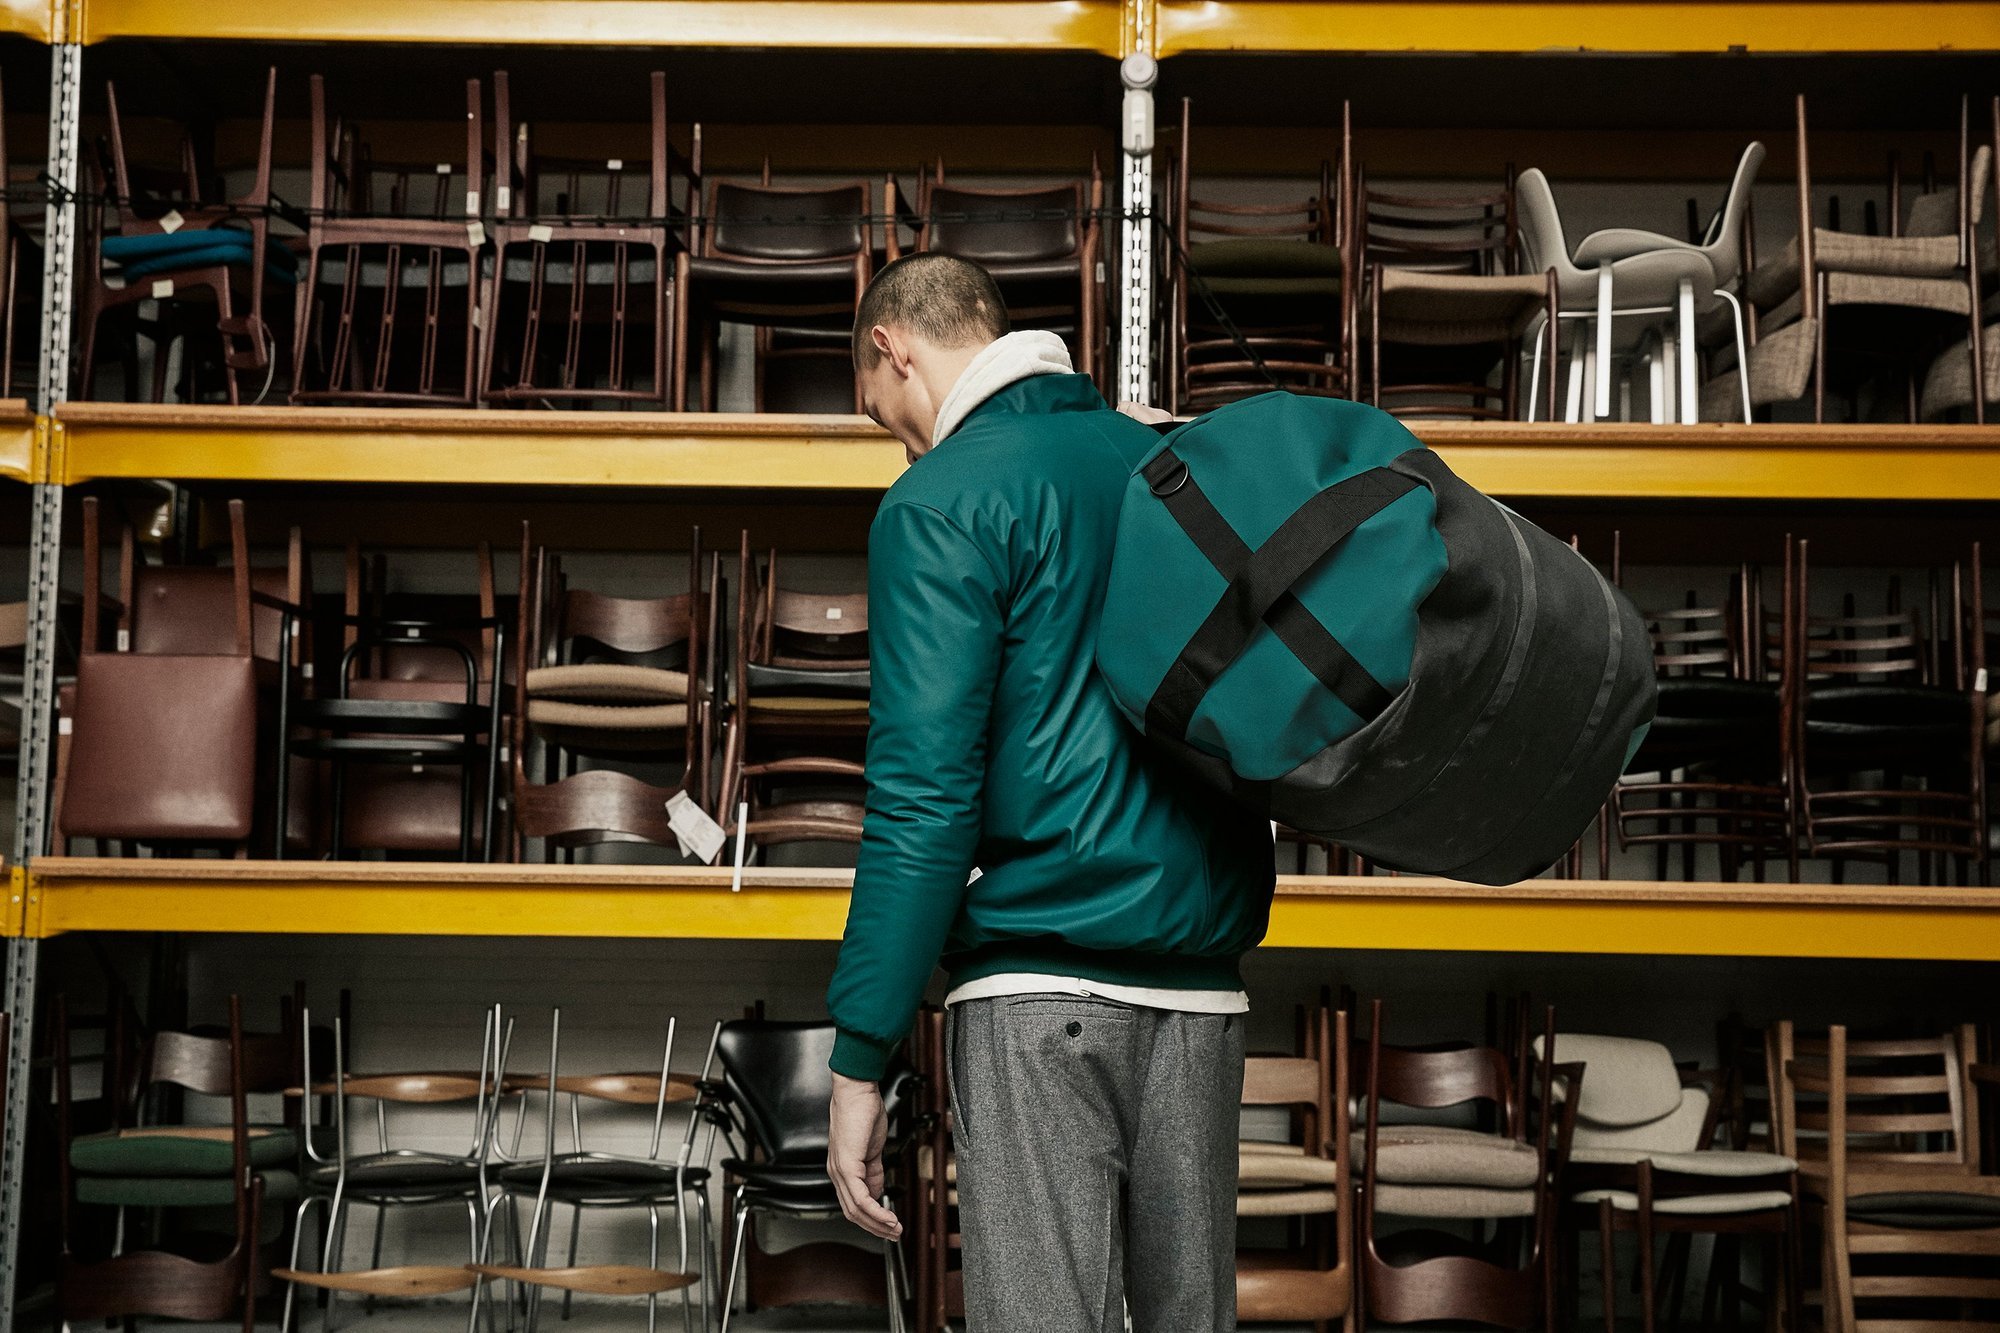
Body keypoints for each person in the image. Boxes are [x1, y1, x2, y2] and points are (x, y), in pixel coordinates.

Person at [822, 252, 1275, 1332]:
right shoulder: (1164, 461)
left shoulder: (940, 501)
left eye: (883, 415)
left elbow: (924, 802)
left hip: (1038, 988)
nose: (902, 443)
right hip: (1204, 992)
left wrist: (858, 1059)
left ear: (892, 348)